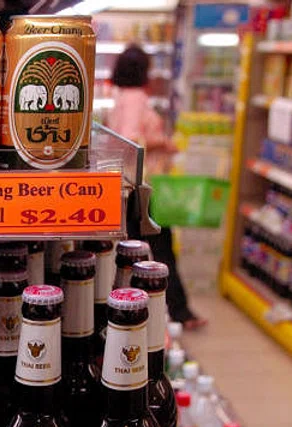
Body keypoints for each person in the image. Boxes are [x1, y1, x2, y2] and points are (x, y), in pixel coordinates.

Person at [106, 45, 207, 330]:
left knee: (136, 251)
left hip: (129, 186)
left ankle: (149, 310)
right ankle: (178, 311)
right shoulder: (136, 97)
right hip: (144, 187)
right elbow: (131, 138)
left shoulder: (120, 96)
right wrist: (164, 143)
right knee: (161, 250)